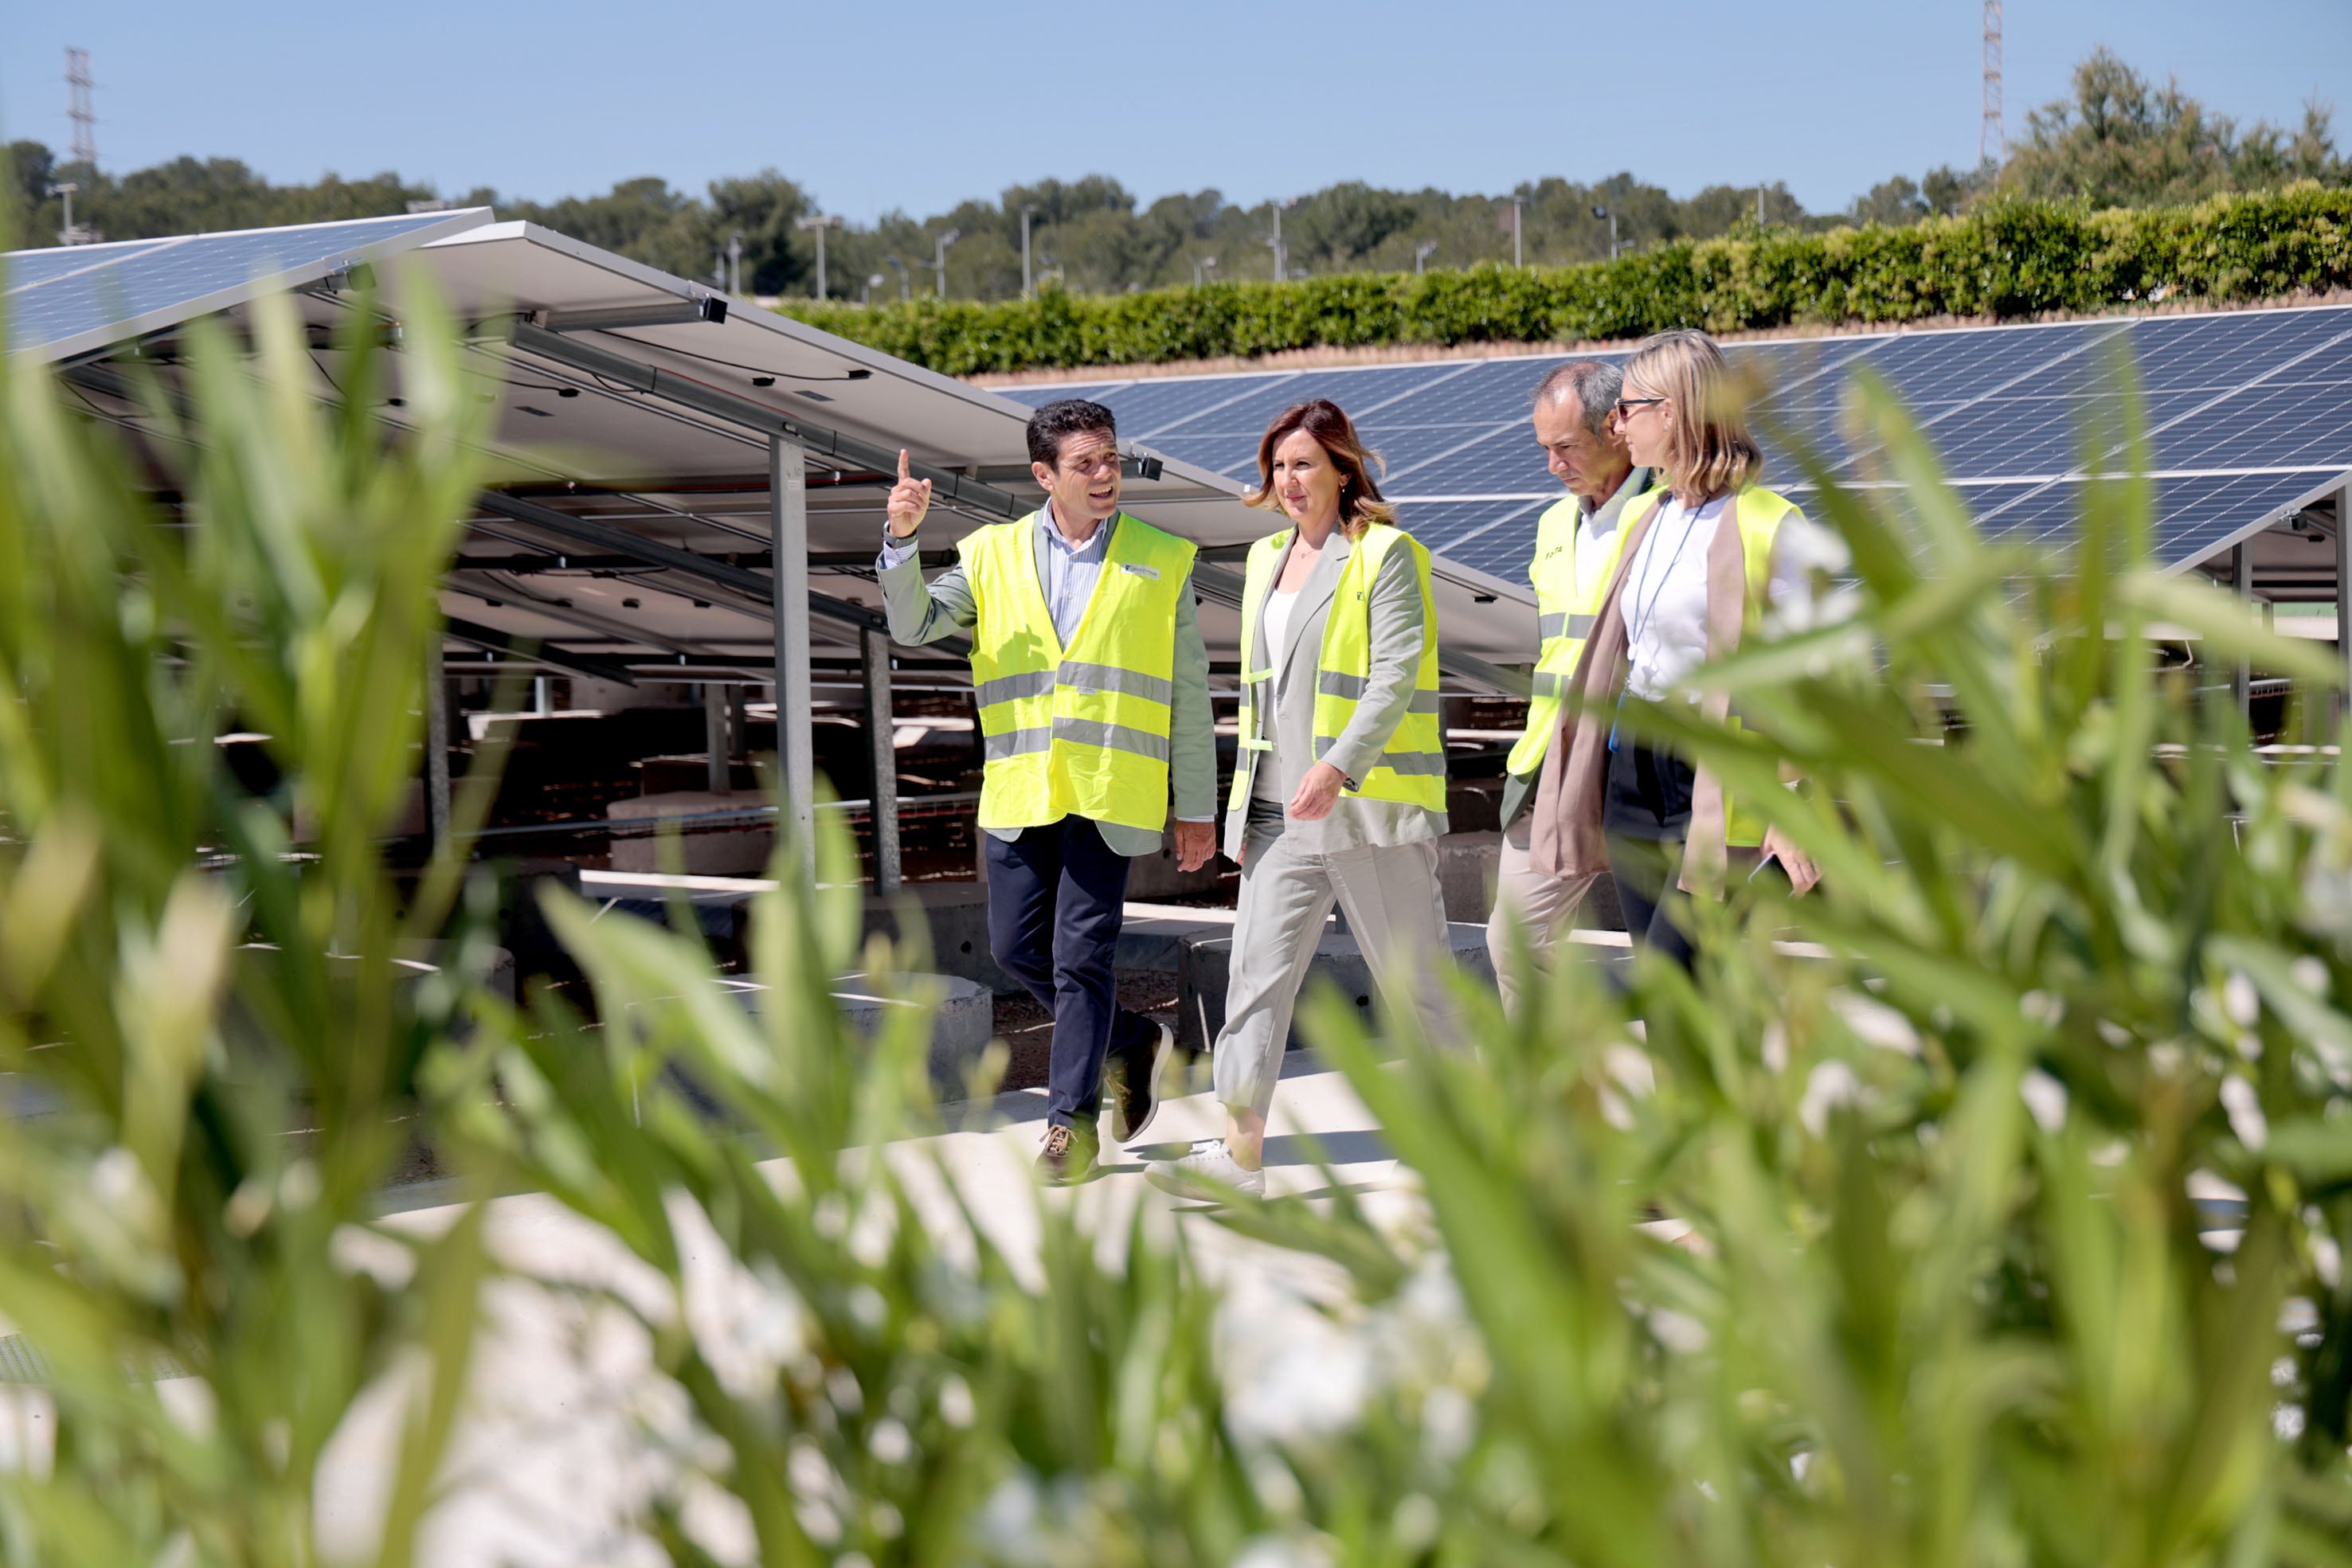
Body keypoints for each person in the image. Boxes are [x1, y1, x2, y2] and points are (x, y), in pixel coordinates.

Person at [879, 400, 1217, 1183]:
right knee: (1014, 948)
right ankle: (1130, 1041)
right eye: (1086, 464)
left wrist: (1194, 806)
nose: (1105, 476)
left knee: (1080, 956)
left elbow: (1189, 697)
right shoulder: (989, 555)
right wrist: (901, 543)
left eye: (1111, 461)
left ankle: (1070, 1125)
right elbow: (915, 624)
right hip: (1020, 789)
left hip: (1111, 790)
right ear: (1044, 475)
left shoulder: (1162, 558)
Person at [1147, 400, 1451, 1201]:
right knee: (1252, 978)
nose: (1288, 479)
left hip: (1365, 810)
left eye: (1305, 464)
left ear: (1343, 469)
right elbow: (1255, 697)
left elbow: (1392, 676)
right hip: (1279, 814)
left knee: (1414, 982)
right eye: (1278, 465)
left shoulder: (1386, 555)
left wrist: (1339, 766)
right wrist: (1242, 805)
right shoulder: (1260, 562)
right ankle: (1240, 1154)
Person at [1528, 329, 1830, 969]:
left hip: (1720, 776)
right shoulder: (1648, 517)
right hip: (1635, 775)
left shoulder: (1771, 523)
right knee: (1669, 999)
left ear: (1672, 412)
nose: (1616, 425)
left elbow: (1816, 679)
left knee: (1683, 976)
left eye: (1627, 408)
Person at [1485, 360, 1656, 1013]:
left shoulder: (1666, 510)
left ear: (1616, 428)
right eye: (1544, 449)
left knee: (1672, 951)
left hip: (1637, 763)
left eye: (1565, 446)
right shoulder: (1552, 523)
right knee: (1516, 942)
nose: (1552, 465)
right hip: (1550, 762)